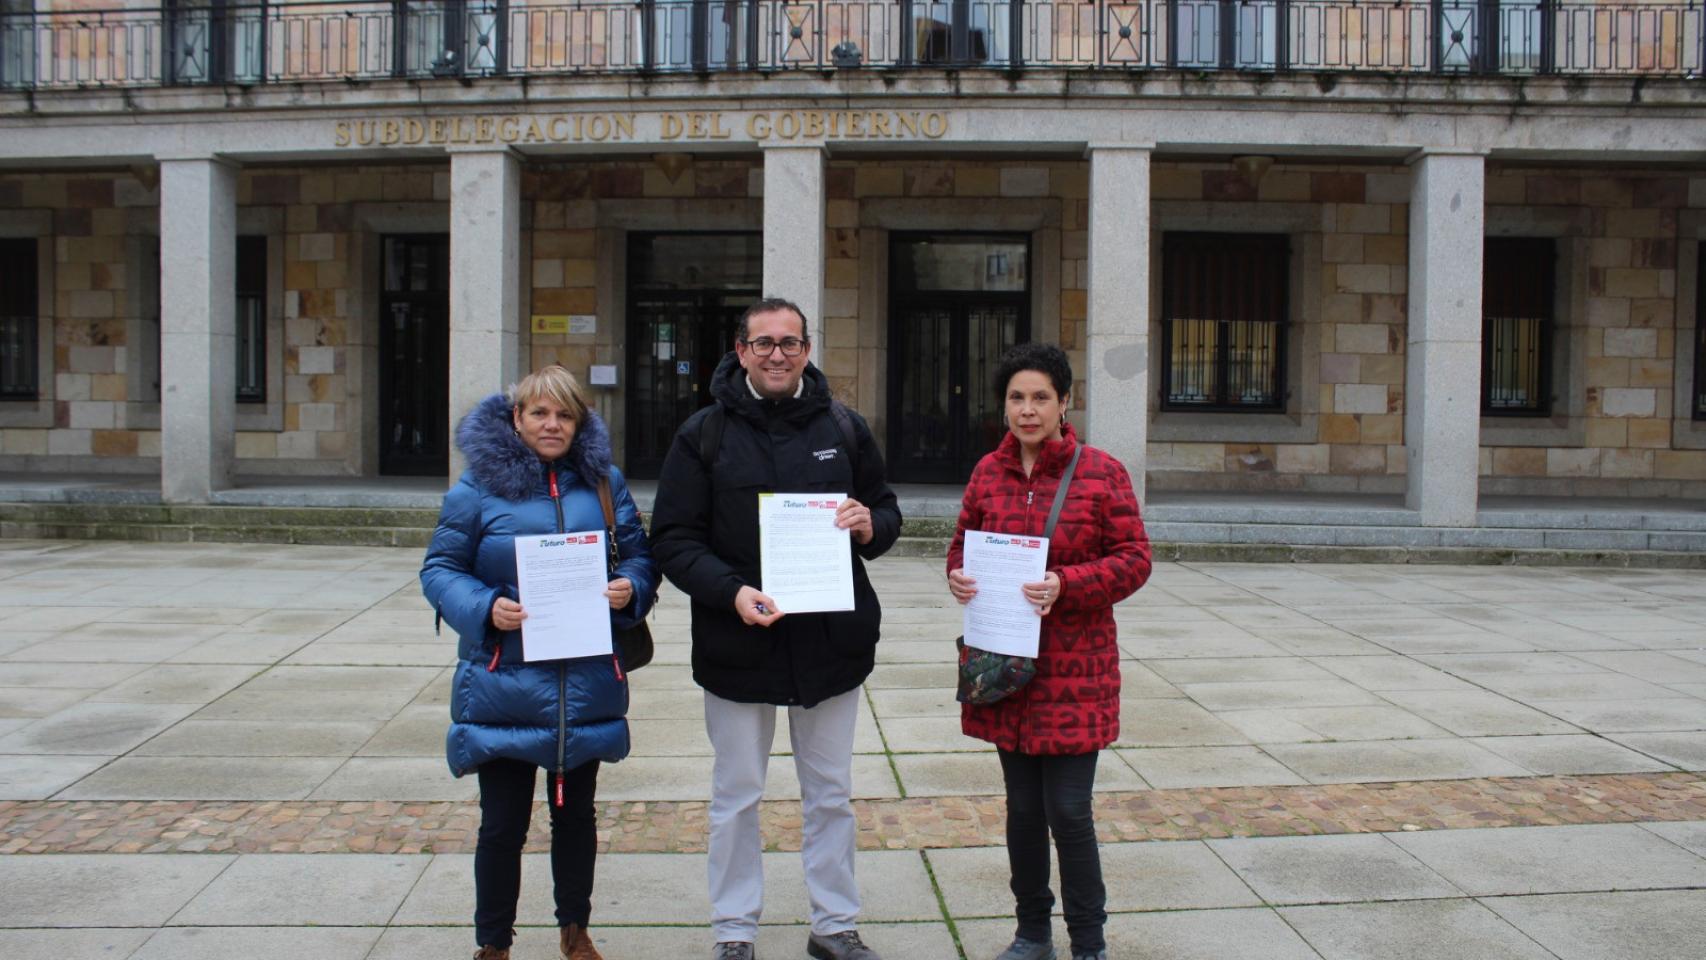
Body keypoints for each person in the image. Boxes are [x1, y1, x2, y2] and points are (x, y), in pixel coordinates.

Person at [649, 297, 902, 960]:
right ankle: (735, 931)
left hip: (830, 644)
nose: (778, 354)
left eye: (790, 342)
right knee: (736, 797)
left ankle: (835, 925)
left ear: (807, 350)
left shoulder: (844, 428)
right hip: (738, 641)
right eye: (764, 343)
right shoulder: (702, 434)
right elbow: (672, 538)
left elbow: (884, 509)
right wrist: (729, 592)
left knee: (831, 795)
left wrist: (870, 524)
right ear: (740, 352)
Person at [422, 365, 659, 960]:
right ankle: (493, 945)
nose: (552, 425)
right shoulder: (477, 488)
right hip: (504, 683)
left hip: (583, 683)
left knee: (575, 819)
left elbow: (638, 557)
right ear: (517, 420)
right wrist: (485, 607)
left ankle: (575, 933)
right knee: (501, 825)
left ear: (580, 423)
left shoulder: (603, 482)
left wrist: (629, 588)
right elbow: (440, 569)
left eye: (565, 415)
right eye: (539, 414)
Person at [946, 343, 1151, 960]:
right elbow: (961, 545)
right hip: (1006, 667)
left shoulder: (1101, 472)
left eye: (1040, 398)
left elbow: (1135, 559)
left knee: (1068, 810)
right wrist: (957, 575)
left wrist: (1068, 584)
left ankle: (1088, 942)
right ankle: (1031, 931)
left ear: (1065, 403)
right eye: (1016, 397)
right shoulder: (988, 472)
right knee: (1023, 812)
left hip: (1074, 669)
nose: (1027, 410)